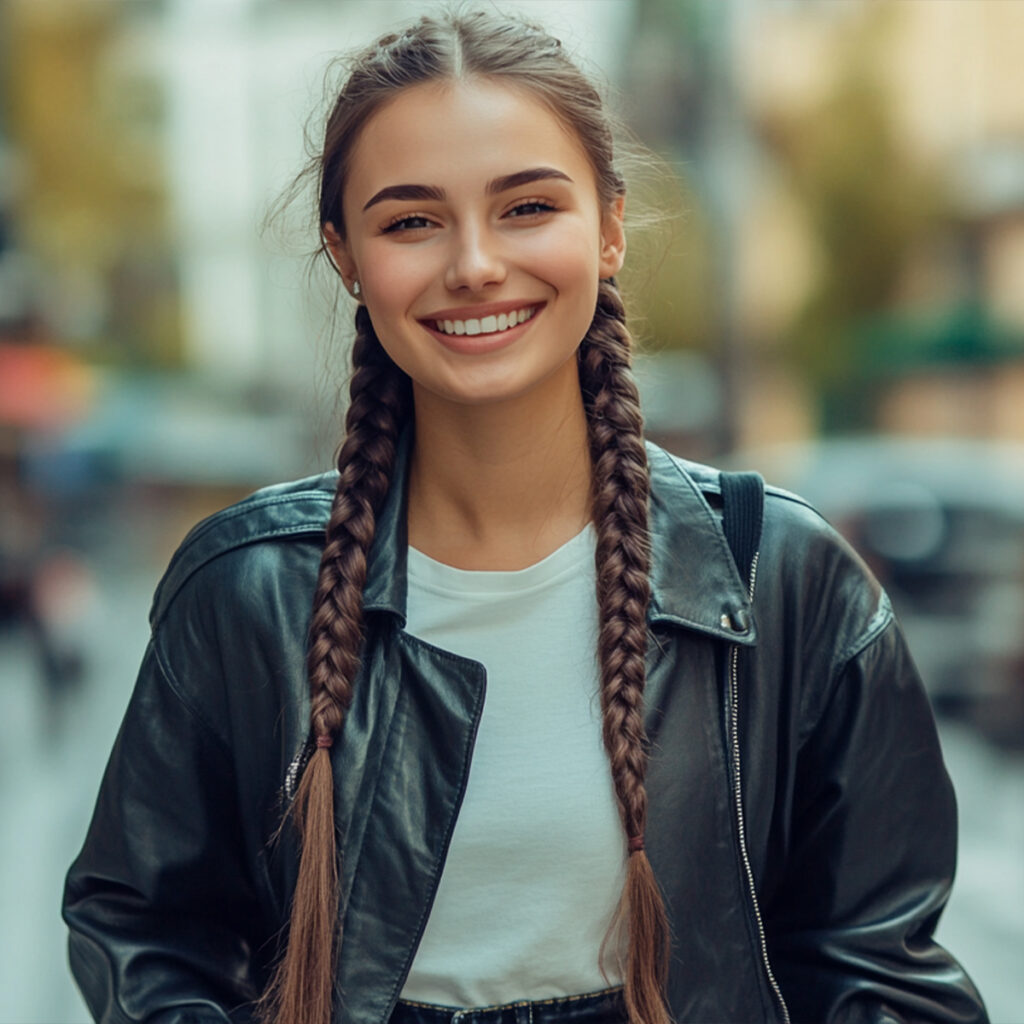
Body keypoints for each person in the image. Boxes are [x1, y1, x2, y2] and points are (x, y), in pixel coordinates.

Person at [63, 9, 988, 1024]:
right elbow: (143, 931)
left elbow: (881, 973)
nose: (473, 265)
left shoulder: (783, 579)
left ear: (608, 228)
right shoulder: (245, 594)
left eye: (526, 207)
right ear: (345, 256)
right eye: (411, 220)